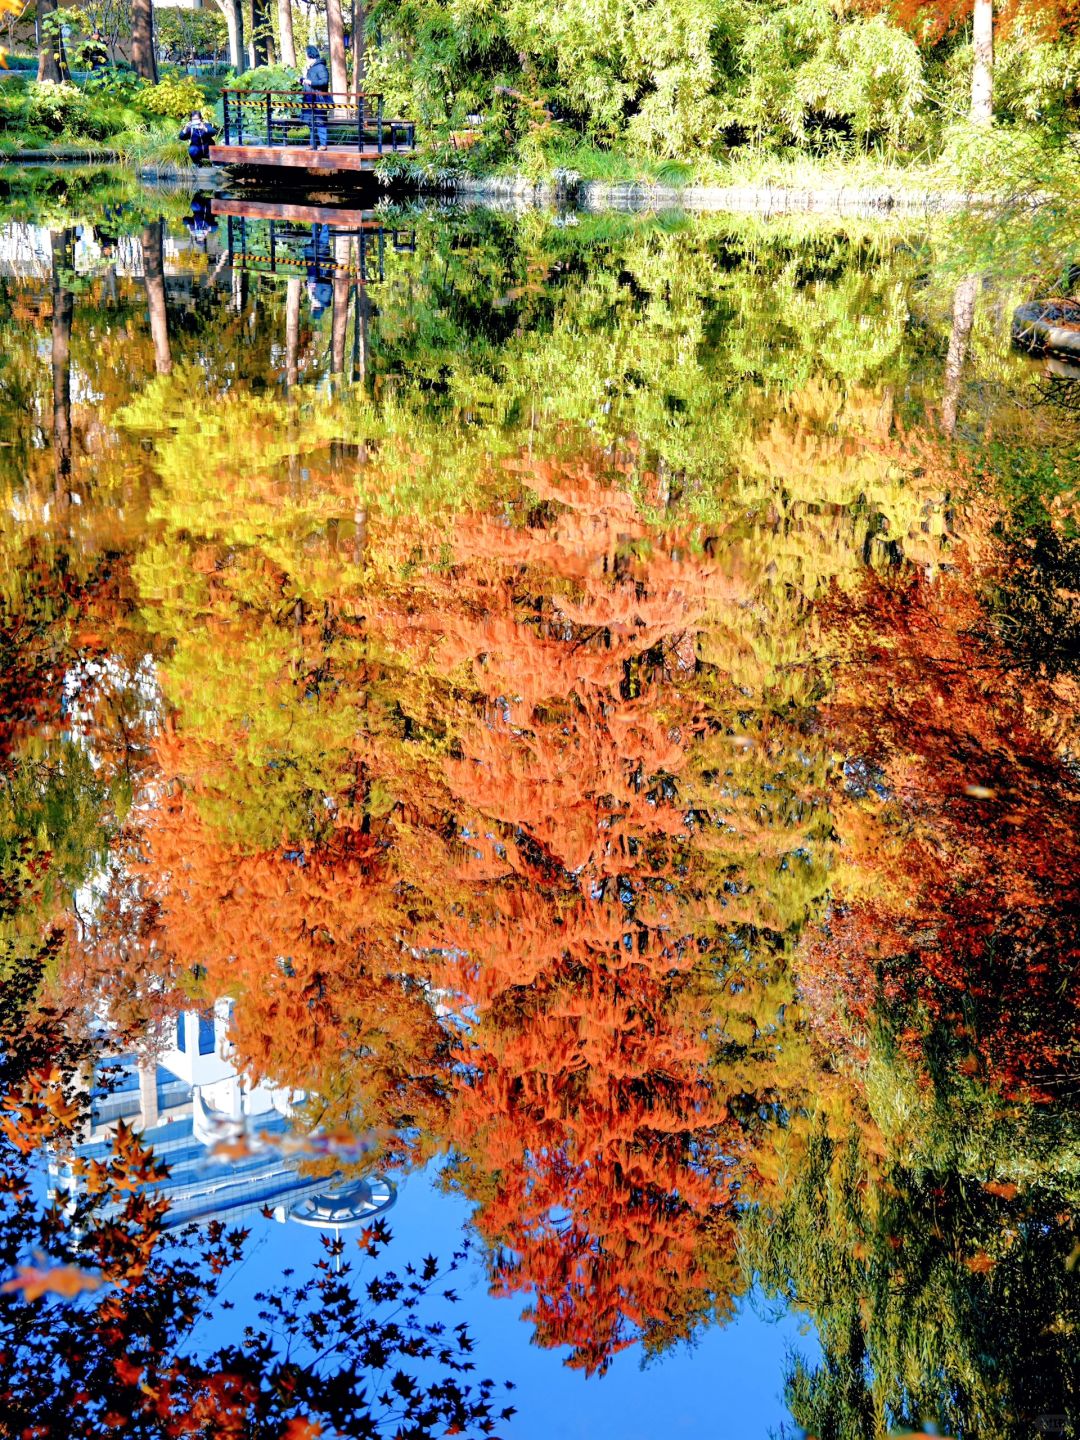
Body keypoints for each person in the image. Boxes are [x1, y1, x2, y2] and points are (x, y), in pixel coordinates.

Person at [302, 45, 330, 150]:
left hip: (319, 99)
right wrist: (302, 79)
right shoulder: (310, 68)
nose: (305, 56)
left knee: (320, 121)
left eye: (306, 54)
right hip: (309, 98)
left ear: (310, 54)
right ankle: (312, 144)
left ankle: (323, 144)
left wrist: (311, 82)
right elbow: (307, 81)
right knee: (310, 122)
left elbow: (324, 81)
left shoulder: (320, 67)